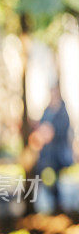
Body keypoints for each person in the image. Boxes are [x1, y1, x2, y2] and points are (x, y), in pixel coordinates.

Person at [34, 84, 74, 213]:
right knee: (46, 175)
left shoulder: (63, 111)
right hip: (46, 154)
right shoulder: (47, 110)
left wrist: (52, 132)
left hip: (58, 154)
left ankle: (57, 203)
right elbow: (41, 127)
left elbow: (63, 130)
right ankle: (54, 203)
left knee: (51, 174)